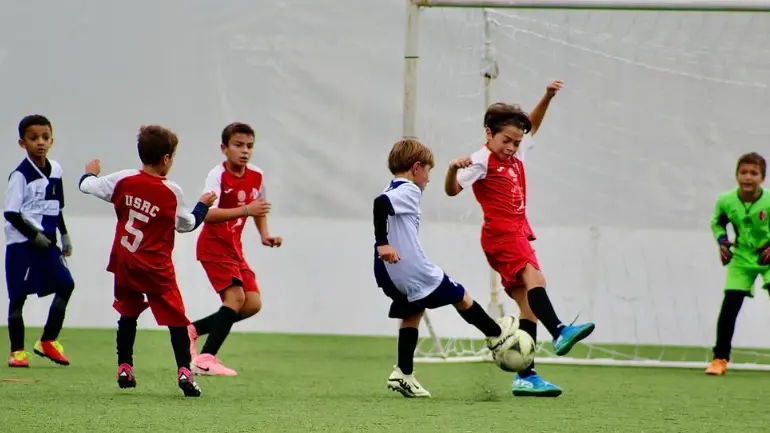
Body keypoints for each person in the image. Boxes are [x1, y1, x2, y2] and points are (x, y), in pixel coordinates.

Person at [444, 85, 595, 397]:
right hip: (502, 233)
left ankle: (526, 376)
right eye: (506, 140)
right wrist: (451, 170)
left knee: (528, 308)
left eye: (516, 141)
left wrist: (548, 97)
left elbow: (533, 125)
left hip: (516, 231)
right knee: (535, 277)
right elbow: (452, 191)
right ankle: (560, 331)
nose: (512, 146)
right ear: (488, 134)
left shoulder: (517, 149)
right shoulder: (481, 159)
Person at [374, 138, 518, 398]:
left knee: (412, 312)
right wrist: (383, 244)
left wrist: (382, 248)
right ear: (416, 168)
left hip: (387, 270)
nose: (428, 179)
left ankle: (403, 374)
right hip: (411, 268)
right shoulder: (409, 189)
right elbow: (380, 204)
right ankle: (498, 336)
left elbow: (384, 206)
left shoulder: (394, 185)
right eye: (428, 171)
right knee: (461, 296)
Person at [78, 125, 215, 397]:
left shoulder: (123, 180)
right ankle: (184, 372)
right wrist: (203, 205)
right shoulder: (170, 191)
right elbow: (186, 225)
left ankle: (125, 367)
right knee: (177, 320)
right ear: (166, 159)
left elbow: (86, 186)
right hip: (156, 268)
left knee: (127, 314)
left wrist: (90, 172)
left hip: (125, 262)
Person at [188, 122, 281, 376]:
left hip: (234, 249)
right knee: (235, 299)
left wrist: (264, 235)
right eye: (238, 145)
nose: (245, 151)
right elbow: (206, 214)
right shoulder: (217, 176)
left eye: (249, 146)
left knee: (251, 304)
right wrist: (245, 210)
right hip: (213, 246)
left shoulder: (257, 176)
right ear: (224, 148)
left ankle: (192, 330)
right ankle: (205, 359)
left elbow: (258, 207)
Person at [4, 114, 75, 368]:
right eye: (34, 138)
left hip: (48, 241)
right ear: (22, 143)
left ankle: (48, 341)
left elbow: (57, 206)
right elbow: (11, 213)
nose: (40, 143)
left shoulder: (56, 169)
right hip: (22, 244)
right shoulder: (20, 175)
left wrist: (64, 235)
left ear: (52, 140)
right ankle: (17, 351)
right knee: (18, 297)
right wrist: (33, 235)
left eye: (45, 137)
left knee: (66, 284)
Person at [706, 152, 770, 376]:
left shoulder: (769, 201)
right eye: (744, 172)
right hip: (742, 258)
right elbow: (717, 224)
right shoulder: (726, 201)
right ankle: (719, 359)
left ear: (762, 177)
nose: (748, 177)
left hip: (767, 256)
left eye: (754, 173)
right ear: (736, 175)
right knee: (730, 307)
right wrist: (722, 242)